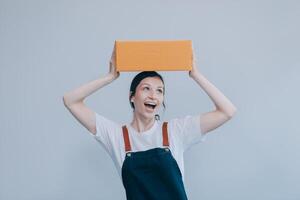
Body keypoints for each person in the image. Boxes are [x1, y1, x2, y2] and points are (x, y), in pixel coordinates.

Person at [63, 44, 237, 200]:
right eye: (146, 88)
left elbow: (227, 111)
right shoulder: (116, 136)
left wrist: (196, 75)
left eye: (159, 91)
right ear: (132, 97)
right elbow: (70, 100)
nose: (153, 95)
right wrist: (109, 77)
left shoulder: (176, 130)